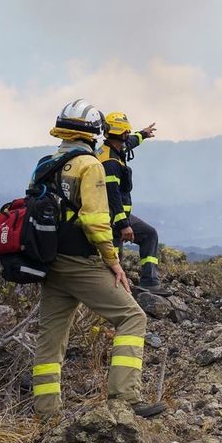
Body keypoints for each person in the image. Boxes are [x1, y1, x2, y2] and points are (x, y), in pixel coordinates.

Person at [30, 99, 165, 419]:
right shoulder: (89, 166)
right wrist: (114, 262)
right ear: (94, 133)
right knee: (133, 317)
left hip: (50, 264)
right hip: (81, 262)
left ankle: (46, 412)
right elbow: (94, 221)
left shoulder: (47, 164)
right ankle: (124, 399)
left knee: (51, 338)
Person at [97, 112, 165, 291]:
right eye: (127, 131)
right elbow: (113, 197)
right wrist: (123, 225)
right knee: (114, 263)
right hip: (111, 218)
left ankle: (150, 283)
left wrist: (143, 133)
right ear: (121, 133)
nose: (128, 134)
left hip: (120, 216)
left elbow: (131, 142)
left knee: (149, 234)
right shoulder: (110, 162)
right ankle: (115, 298)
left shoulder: (116, 148)